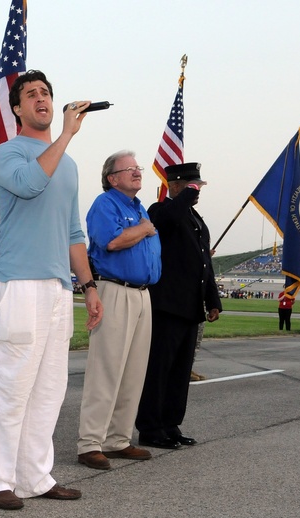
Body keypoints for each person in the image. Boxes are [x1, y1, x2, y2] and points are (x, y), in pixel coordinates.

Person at [0, 70, 101, 510]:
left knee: (49, 390)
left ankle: (35, 476)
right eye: (31, 95)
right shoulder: (9, 153)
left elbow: (73, 232)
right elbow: (30, 184)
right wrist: (65, 134)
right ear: (17, 108)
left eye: (46, 93)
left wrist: (88, 286)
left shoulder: (67, 164)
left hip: (55, 289)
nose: (42, 99)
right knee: (9, 387)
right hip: (18, 285)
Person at [76, 150, 160, 471]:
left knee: (134, 370)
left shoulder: (138, 208)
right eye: (130, 169)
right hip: (114, 290)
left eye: (138, 168)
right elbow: (110, 242)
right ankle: (90, 443)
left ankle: (118, 439)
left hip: (142, 293)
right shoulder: (105, 204)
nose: (138, 172)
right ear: (113, 178)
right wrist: (145, 230)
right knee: (107, 368)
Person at [135, 162, 221, 450]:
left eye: (198, 188)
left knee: (180, 372)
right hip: (167, 306)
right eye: (191, 187)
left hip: (190, 307)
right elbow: (165, 220)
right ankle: (150, 427)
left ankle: (171, 423)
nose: (196, 193)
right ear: (174, 186)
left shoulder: (196, 219)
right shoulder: (160, 210)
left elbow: (204, 263)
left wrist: (213, 299)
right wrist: (182, 197)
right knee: (159, 369)